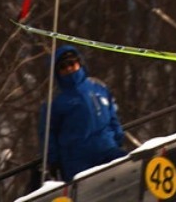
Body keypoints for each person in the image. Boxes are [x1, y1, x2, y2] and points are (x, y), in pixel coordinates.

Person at [38, 45, 127, 182]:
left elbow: (112, 114)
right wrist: (53, 159)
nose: (68, 69)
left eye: (71, 63)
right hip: (77, 159)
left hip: (107, 147)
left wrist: (118, 135)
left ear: (79, 62)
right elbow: (48, 133)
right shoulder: (54, 100)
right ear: (57, 72)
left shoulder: (97, 86)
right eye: (63, 66)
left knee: (127, 170)